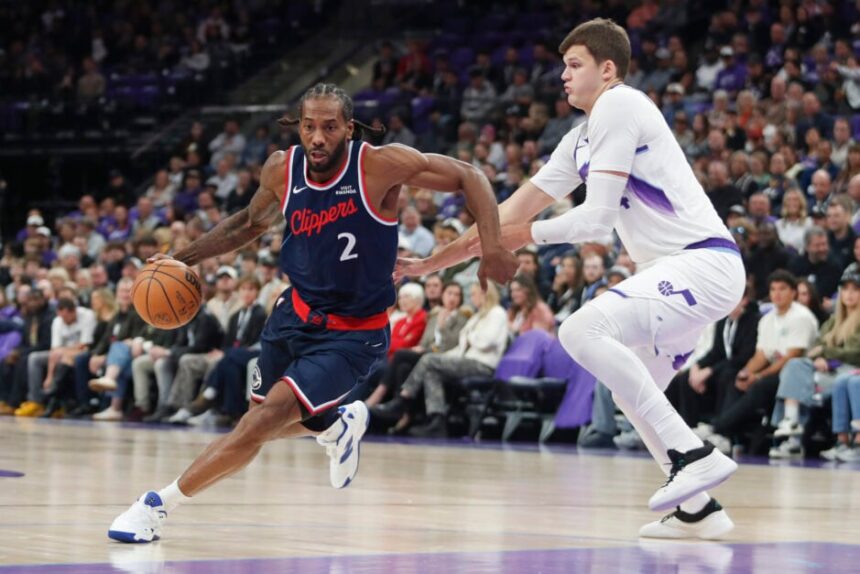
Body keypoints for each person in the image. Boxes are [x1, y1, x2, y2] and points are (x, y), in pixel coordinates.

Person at [108, 83, 517, 543]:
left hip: (353, 334)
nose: (317, 137)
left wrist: (493, 245)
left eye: (328, 127)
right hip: (293, 315)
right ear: (298, 126)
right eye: (309, 126)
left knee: (258, 425)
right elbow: (248, 223)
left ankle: (156, 506)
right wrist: (183, 258)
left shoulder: (380, 165)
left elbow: (470, 175)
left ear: (348, 127)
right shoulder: (283, 169)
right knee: (258, 422)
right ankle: (335, 423)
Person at [397, 19, 745, 540]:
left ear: (607, 70)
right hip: (673, 274)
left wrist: (522, 237)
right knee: (635, 389)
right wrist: (428, 265)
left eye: (574, 64)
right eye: (562, 65)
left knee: (581, 331)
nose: (562, 75)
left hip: (703, 263)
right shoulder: (580, 138)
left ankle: (694, 453)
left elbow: (595, 222)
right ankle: (699, 508)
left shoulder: (621, 105)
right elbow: (502, 219)